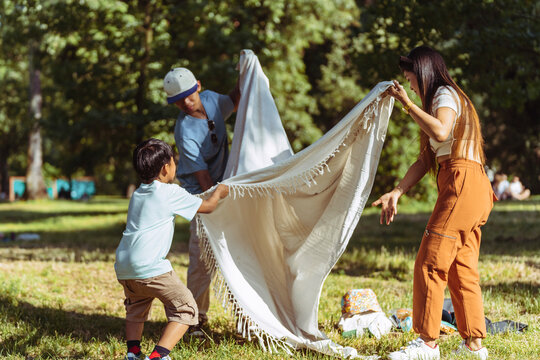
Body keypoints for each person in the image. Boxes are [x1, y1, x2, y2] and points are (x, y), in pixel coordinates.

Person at [372, 46, 495, 360]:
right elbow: (426, 158)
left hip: (462, 183)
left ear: (422, 72)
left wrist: (407, 104)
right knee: (460, 268)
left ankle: (427, 344)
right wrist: (397, 192)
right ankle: (473, 345)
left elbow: (440, 129)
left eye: (410, 79)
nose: (410, 85)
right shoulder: (450, 99)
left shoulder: (443, 95)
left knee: (430, 261)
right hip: (474, 187)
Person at [115, 138, 229, 360]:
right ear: (166, 167)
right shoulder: (171, 193)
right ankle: (158, 356)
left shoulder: (138, 194)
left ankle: (133, 353)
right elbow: (207, 207)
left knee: (136, 308)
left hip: (125, 266)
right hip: (151, 267)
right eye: (174, 162)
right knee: (186, 308)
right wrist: (219, 192)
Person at [163, 67, 240, 336]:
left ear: (197, 86)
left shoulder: (212, 100)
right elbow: (204, 178)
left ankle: (244, 314)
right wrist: (216, 205)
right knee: (203, 256)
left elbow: (235, 99)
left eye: (187, 95)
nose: (185, 103)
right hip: (201, 194)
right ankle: (194, 318)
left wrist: (245, 72)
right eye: (178, 101)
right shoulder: (185, 131)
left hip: (226, 186)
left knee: (237, 251)